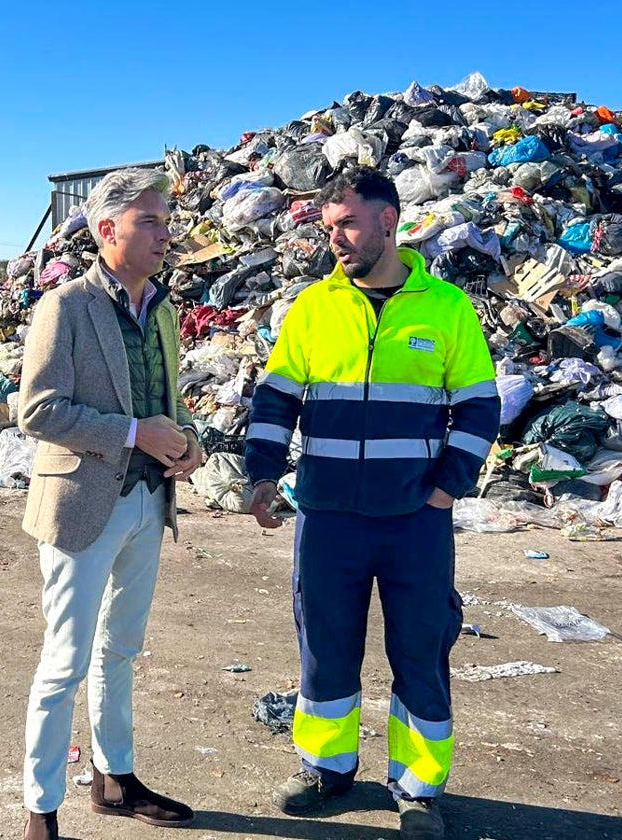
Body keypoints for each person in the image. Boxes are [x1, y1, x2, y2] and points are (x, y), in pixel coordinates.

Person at [244, 166, 500, 840]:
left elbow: (479, 406)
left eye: (348, 223)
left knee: (420, 650)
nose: (337, 238)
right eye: (328, 227)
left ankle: (417, 791)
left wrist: (448, 488)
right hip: (328, 518)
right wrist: (262, 476)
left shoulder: (444, 307)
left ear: (388, 220)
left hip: (416, 520)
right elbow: (276, 400)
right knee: (326, 650)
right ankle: (326, 769)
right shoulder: (312, 308)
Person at [17, 168, 201, 840]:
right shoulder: (65, 307)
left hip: (150, 503)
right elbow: (38, 410)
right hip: (81, 507)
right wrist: (132, 434)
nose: (164, 234)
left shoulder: (165, 311)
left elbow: (167, 405)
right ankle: (40, 810)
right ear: (106, 231)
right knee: (65, 661)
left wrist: (189, 443)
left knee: (120, 648)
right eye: (149, 222)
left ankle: (114, 778)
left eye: (165, 221)